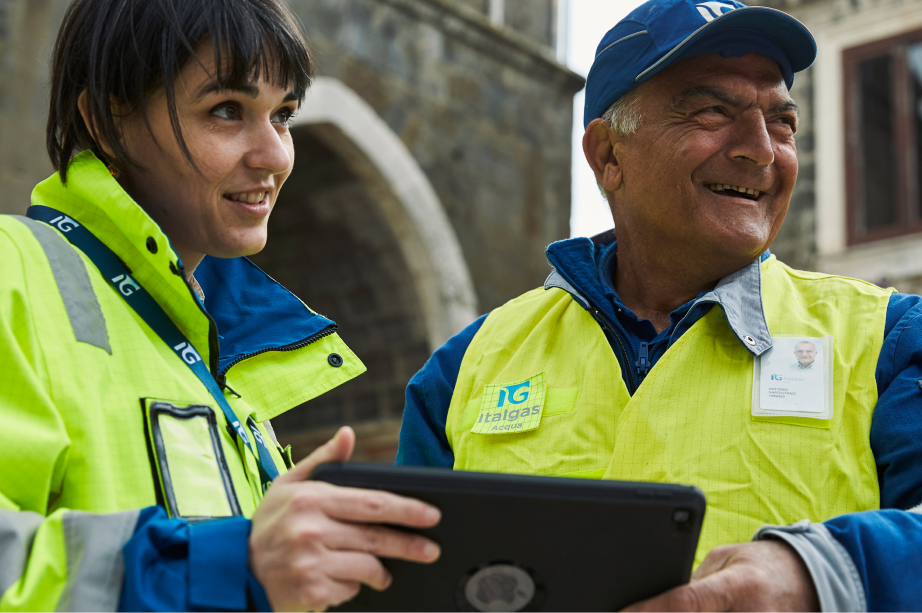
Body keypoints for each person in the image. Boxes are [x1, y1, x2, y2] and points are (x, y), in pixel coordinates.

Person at [396, 0, 922, 610]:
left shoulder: (891, 341)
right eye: (711, 112)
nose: (761, 149)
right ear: (608, 157)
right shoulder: (463, 368)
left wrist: (824, 571)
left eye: (782, 123)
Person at [0, 0, 442, 611]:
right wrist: (237, 565)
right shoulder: (10, 274)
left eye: (283, 115)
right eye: (227, 111)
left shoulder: (223, 349)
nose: (276, 155)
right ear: (105, 121)